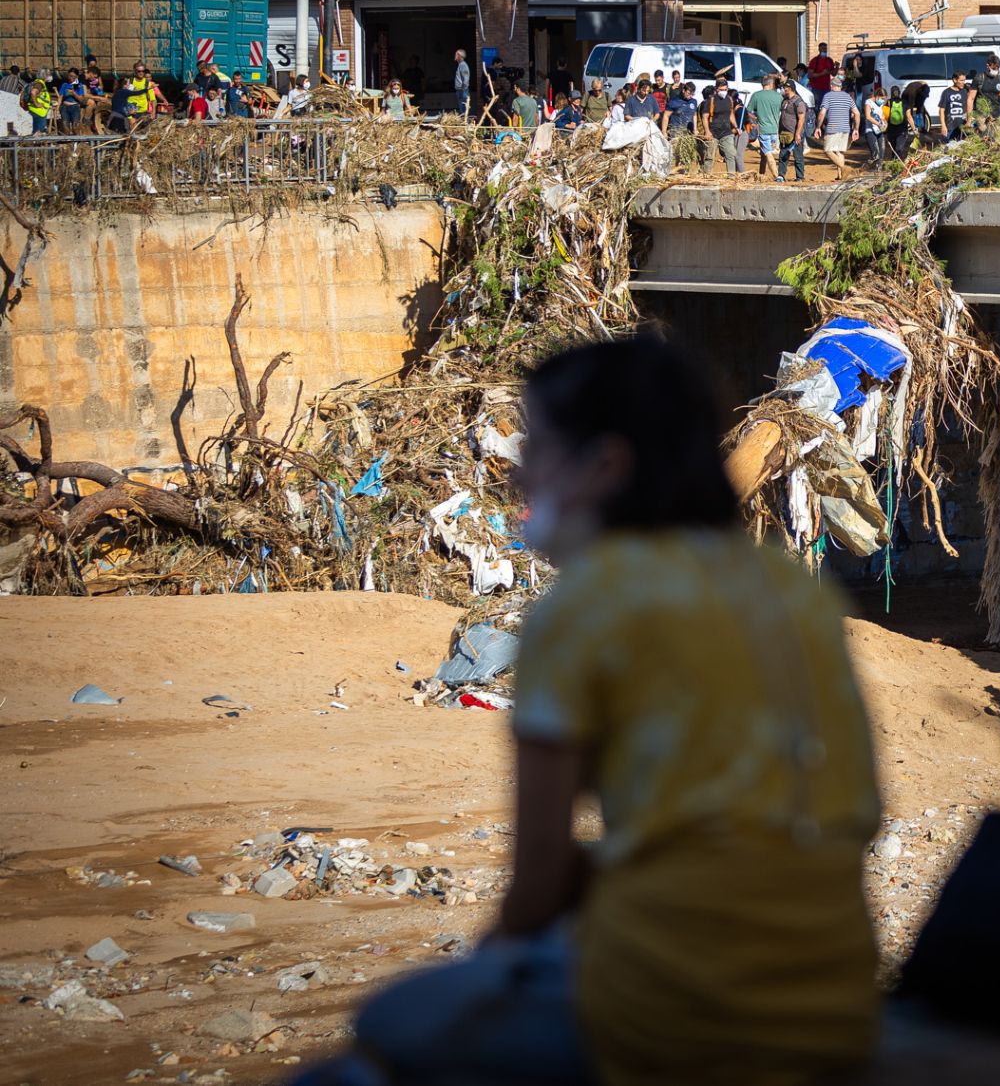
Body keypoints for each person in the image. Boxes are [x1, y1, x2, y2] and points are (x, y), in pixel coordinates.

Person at [299, 335, 882, 1086]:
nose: (517, 474)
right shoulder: (788, 587)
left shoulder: (587, 605)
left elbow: (537, 878)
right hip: (834, 1000)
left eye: (536, 450)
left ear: (604, 465)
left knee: (384, 1027)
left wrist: (494, 966)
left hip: (671, 1016)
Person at [816, 79, 858, 179]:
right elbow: (857, 113)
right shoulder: (848, 97)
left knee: (828, 150)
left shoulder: (828, 96)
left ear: (831, 86)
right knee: (839, 152)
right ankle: (841, 176)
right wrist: (856, 129)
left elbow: (822, 113)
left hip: (833, 127)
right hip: (845, 129)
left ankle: (846, 169)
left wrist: (818, 127)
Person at [700, 79, 743, 176]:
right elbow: (705, 117)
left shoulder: (729, 100)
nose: (724, 91)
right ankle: (707, 176)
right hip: (713, 133)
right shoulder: (710, 101)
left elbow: (731, 114)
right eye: (721, 89)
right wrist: (707, 132)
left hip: (726, 132)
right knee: (709, 157)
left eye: (726, 89)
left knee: (731, 154)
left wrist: (736, 127)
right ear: (716, 89)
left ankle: (731, 177)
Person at [746, 76, 784, 178]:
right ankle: (761, 173)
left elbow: (748, 111)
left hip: (763, 129)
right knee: (764, 153)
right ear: (771, 84)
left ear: (763, 84)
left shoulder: (756, 95)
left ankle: (777, 176)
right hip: (775, 130)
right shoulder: (779, 96)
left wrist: (755, 117)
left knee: (767, 153)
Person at [778, 77, 810, 182]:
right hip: (784, 133)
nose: (784, 89)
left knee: (798, 156)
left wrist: (798, 134)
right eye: (784, 87)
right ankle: (781, 175)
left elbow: (801, 119)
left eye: (786, 87)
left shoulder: (798, 102)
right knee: (783, 155)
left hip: (795, 133)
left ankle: (800, 177)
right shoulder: (785, 100)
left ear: (791, 88)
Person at [861, 81, 889, 167]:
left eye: (884, 99)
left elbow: (882, 116)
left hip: (879, 131)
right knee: (875, 153)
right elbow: (868, 117)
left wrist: (884, 122)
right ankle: (865, 166)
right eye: (882, 98)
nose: (883, 101)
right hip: (870, 130)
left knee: (882, 152)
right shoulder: (868, 102)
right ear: (877, 96)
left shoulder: (880, 104)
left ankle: (878, 170)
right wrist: (878, 124)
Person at [975, 55, 1000, 133]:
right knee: (984, 137)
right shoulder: (979, 78)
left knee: (997, 138)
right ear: (988, 65)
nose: (996, 70)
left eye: (998, 68)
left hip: (996, 114)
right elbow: (970, 98)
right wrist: (968, 118)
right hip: (982, 115)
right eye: (994, 68)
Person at [452, 49, 471, 118]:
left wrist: (463, 89)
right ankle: (464, 120)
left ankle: (465, 122)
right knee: (462, 107)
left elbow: (466, 78)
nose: (455, 56)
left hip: (462, 90)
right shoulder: (460, 65)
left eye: (456, 54)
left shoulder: (463, 65)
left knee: (463, 107)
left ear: (460, 56)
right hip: (461, 90)